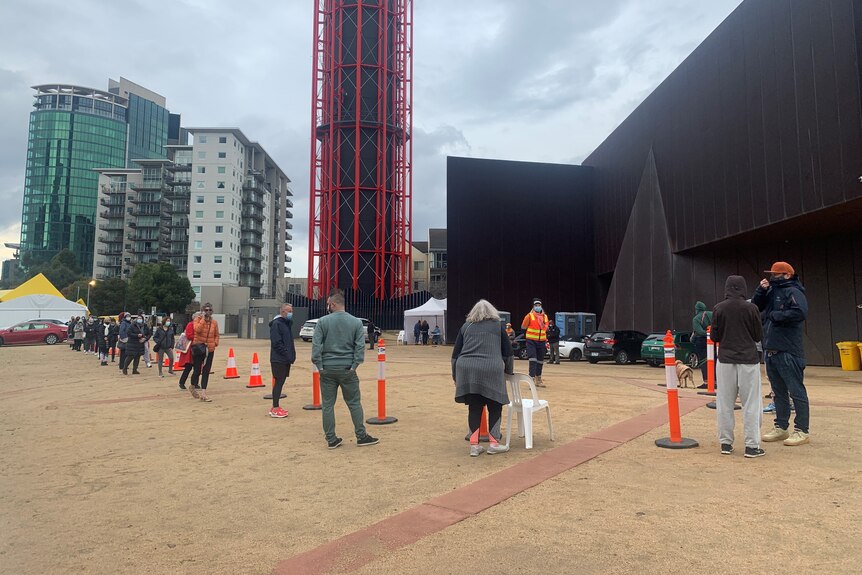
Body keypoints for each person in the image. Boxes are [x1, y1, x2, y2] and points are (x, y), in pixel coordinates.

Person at [752, 261, 810, 447]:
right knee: (778, 392)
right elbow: (755, 306)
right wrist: (761, 290)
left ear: (786, 275)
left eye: (776, 274)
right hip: (771, 349)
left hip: (788, 350)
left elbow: (800, 312)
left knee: (796, 391)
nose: (772, 277)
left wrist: (776, 316)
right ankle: (781, 427)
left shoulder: (793, 291)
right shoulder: (772, 291)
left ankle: (802, 430)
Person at [311, 290, 379, 449]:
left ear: (333, 304)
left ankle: (331, 439)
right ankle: (361, 436)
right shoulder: (356, 322)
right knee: (354, 403)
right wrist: (355, 365)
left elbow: (316, 346)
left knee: (328, 404)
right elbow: (360, 346)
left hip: (327, 368)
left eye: (328, 304)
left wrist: (319, 365)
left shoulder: (322, 322)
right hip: (348, 368)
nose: (328, 306)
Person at [711, 276, 765, 458]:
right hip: (748, 359)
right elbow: (758, 335)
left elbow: (714, 337)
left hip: (725, 359)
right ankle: (752, 446)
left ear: (726, 288)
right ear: (743, 288)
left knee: (725, 402)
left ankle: (725, 443)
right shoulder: (751, 308)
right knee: (751, 403)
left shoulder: (719, 308)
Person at [452, 299, 513, 456]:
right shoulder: (497, 326)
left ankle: (474, 445)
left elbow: (455, 355)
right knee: (495, 405)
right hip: (491, 369)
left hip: (467, 370)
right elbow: (508, 352)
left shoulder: (466, 326)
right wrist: (508, 372)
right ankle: (493, 443)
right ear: (493, 312)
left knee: (474, 407)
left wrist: (455, 376)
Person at [269, 303, 296, 418]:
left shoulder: (286, 324)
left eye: (292, 311)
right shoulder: (277, 324)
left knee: (281, 382)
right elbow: (276, 343)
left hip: (285, 359)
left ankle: (276, 406)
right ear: (282, 311)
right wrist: (286, 354)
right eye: (289, 311)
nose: (291, 313)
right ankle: (275, 408)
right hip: (278, 359)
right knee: (278, 382)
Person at [191, 303, 220, 402]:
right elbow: (197, 330)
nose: (208, 312)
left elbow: (216, 334)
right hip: (199, 348)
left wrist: (215, 343)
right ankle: (193, 385)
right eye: (206, 310)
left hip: (209, 349)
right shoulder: (198, 320)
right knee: (197, 370)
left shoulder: (214, 323)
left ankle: (204, 393)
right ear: (203, 311)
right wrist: (203, 319)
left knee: (206, 370)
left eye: (210, 310)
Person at [520, 298, 549, 387]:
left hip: (541, 341)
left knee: (540, 361)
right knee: (533, 360)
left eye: (539, 305)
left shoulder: (545, 317)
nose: (537, 307)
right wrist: (528, 337)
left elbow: (546, 328)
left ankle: (538, 379)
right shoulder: (529, 316)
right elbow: (523, 328)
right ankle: (531, 379)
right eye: (536, 305)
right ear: (533, 306)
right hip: (531, 341)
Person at [177, 312, 201, 395]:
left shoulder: (200, 325)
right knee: (188, 368)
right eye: (199, 317)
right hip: (191, 349)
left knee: (197, 368)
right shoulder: (190, 325)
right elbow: (189, 335)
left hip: (197, 348)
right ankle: (182, 383)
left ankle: (195, 383)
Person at [692, 301, 713, 387]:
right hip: (714, 340)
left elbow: (699, 331)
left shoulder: (696, 319)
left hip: (701, 341)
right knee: (714, 360)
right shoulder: (712, 314)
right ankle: (715, 381)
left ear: (696, 309)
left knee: (703, 361)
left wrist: (707, 334)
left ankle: (707, 382)